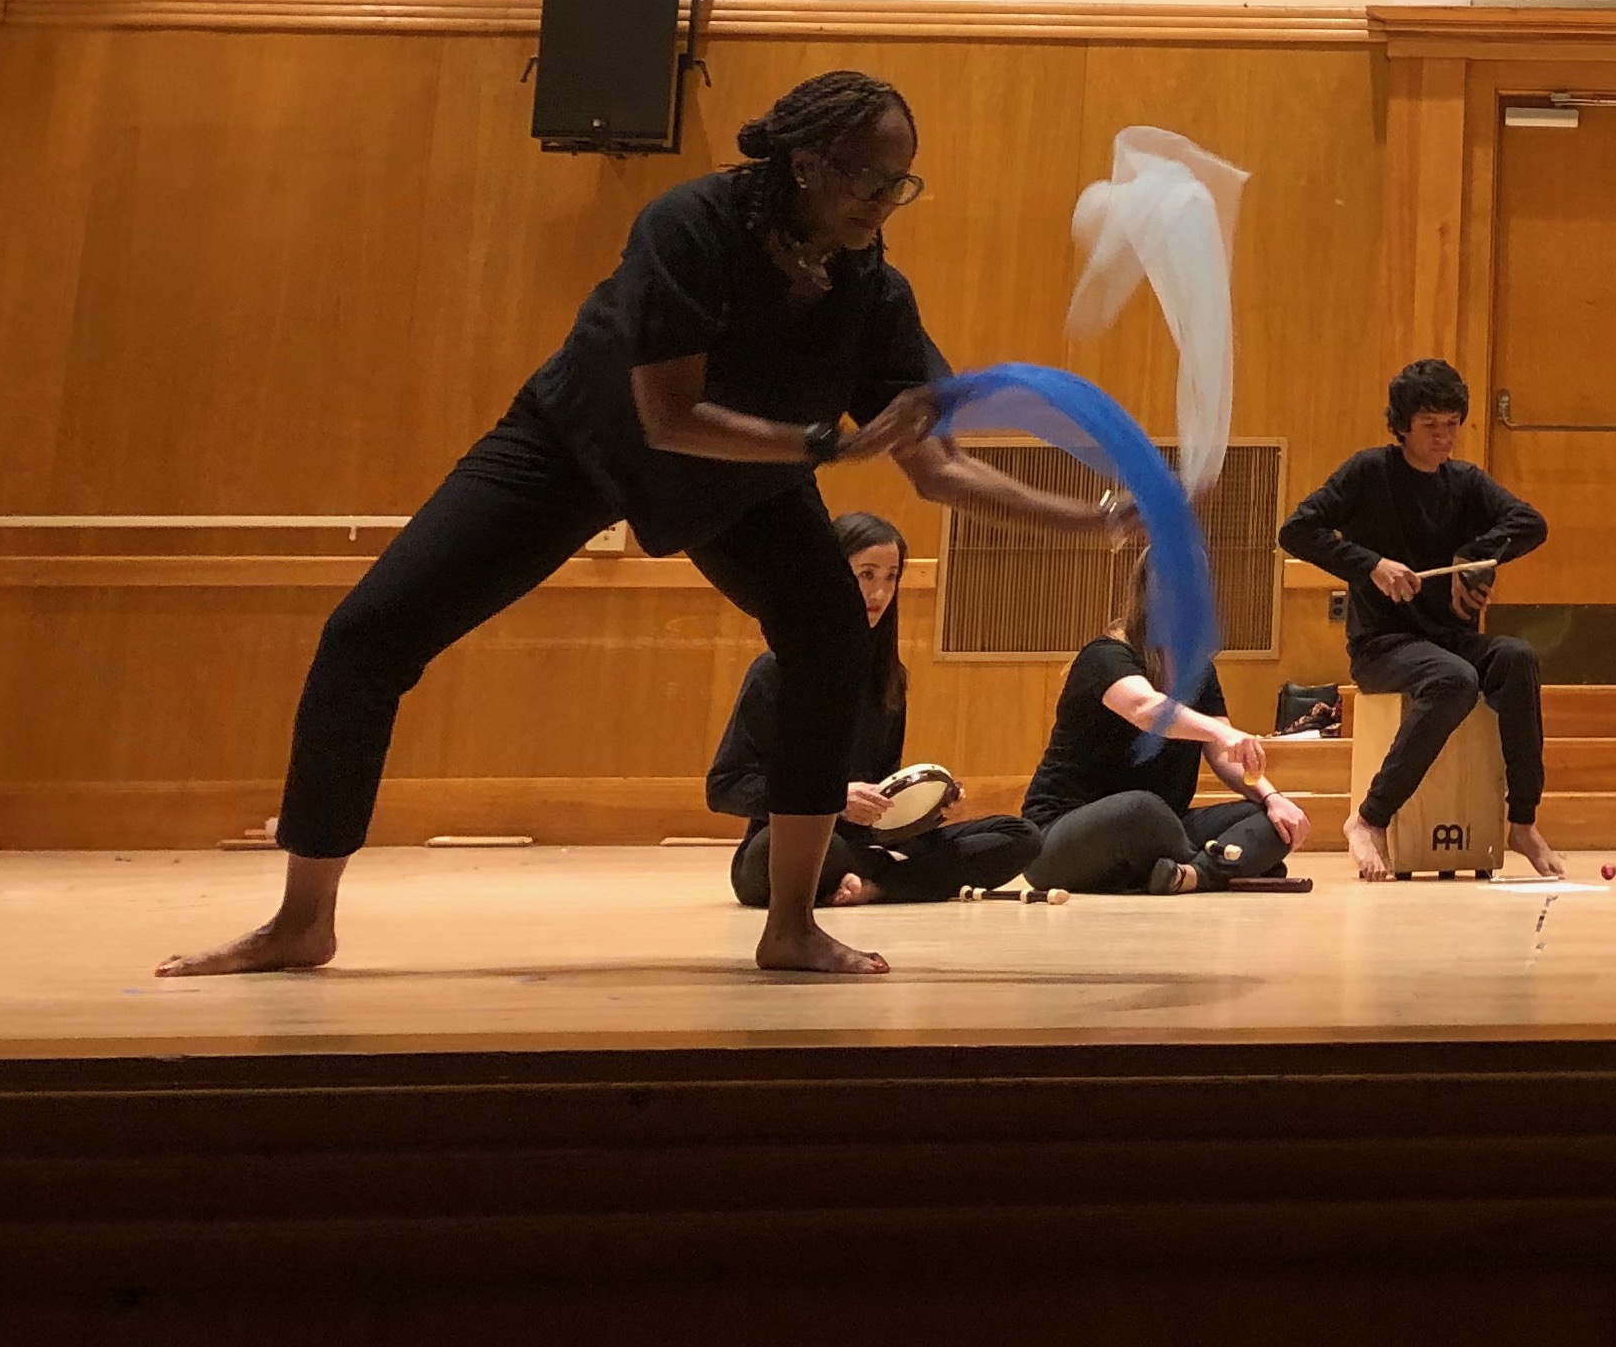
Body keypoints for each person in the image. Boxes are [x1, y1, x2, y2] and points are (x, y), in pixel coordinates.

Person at [161, 71, 1125, 981]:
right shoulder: (693, 225)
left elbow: (936, 463)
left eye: (898, 182)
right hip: (580, 443)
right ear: (804, 160)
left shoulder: (874, 294)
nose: (881, 198)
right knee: (367, 635)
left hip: (743, 479)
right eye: (864, 174)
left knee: (830, 634)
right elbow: (669, 416)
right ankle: (303, 920)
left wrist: (1091, 519)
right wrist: (822, 450)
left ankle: (793, 924)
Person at [1280, 361, 1559, 879]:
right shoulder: (1369, 473)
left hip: (1450, 639)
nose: (1445, 437)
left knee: (1517, 659)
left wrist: (1472, 556)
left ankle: (1521, 820)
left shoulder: (1466, 482)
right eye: (1432, 425)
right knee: (1454, 679)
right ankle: (1369, 819)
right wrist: (1371, 565)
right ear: (1403, 424)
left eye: (1453, 424)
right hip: (1382, 646)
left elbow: (1530, 524)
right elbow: (1296, 530)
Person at [707, 509, 1036, 908]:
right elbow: (725, 786)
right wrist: (832, 797)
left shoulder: (887, 677)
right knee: (788, 853)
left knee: (1019, 836)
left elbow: (881, 789)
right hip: (791, 842)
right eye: (866, 575)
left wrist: (927, 804)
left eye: (890, 578)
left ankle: (875, 887)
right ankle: (894, 879)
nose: (879, 593)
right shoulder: (776, 671)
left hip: (868, 842)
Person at [1020, 556, 1309, 895]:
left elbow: (1222, 757)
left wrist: (1272, 796)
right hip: (1059, 837)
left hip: (1162, 828)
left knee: (1271, 820)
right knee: (1140, 807)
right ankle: (1225, 866)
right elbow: (1145, 708)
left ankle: (1192, 875)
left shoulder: (1199, 672)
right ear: (1147, 591)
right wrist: (1221, 730)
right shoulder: (1104, 657)